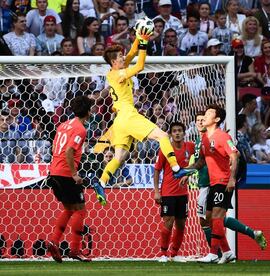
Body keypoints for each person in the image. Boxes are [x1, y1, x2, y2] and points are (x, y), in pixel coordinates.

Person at [98, 22, 195, 206]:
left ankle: (101, 182)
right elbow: (140, 65)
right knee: (163, 135)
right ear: (114, 62)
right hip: (128, 115)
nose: (123, 57)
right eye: (120, 56)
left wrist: (140, 38)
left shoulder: (115, 71)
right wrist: (144, 45)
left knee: (119, 157)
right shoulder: (119, 74)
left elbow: (133, 53)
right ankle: (176, 168)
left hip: (119, 120)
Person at [187, 105, 266, 264]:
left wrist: (231, 179)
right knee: (209, 218)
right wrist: (186, 171)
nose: (205, 116)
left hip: (223, 181)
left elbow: (234, 156)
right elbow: (201, 161)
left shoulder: (223, 137)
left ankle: (213, 253)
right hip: (212, 182)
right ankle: (228, 252)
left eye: (209, 113)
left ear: (216, 119)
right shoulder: (204, 138)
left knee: (216, 217)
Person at [47, 95, 94, 263]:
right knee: (80, 210)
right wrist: (74, 174)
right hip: (67, 174)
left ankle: (54, 240)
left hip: (54, 172)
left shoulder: (63, 124)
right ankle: (75, 250)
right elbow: (68, 151)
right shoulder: (81, 129)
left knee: (69, 209)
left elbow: (54, 147)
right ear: (88, 111)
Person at [154, 122, 194, 263]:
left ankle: (175, 253)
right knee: (168, 222)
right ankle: (163, 254)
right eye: (174, 131)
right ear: (170, 134)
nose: (177, 133)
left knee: (181, 224)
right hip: (168, 192)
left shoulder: (190, 147)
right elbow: (157, 170)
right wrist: (157, 191)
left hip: (183, 193)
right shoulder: (165, 148)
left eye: (180, 131)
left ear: (184, 133)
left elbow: (198, 161)